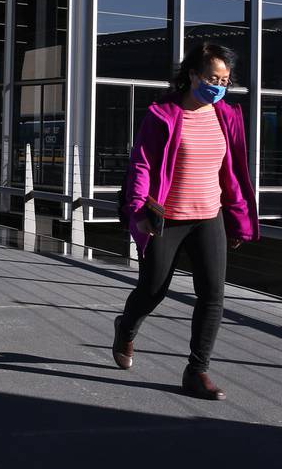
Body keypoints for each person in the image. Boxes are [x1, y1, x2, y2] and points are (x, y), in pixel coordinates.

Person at [111, 43, 259, 400]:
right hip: (168, 219)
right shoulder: (163, 114)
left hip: (209, 217)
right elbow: (143, 165)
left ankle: (197, 370)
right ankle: (126, 327)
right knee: (152, 290)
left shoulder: (226, 115)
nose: (218, 86)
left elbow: (234, 173)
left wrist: (238, 219)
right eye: (212, 78)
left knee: (212, 295)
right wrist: (139, 210)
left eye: (225, 80)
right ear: (192, 75)